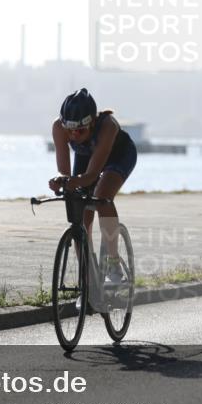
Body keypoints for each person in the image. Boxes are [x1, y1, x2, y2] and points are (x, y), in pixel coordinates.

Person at [49, 89, 137, 286]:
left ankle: (114, 265)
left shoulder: (108, 126)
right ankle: (88, 280)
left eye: (80, 131)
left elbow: (91, 176)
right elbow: (65, 175)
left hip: (118, 155)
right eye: (70, 130)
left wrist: (74, 182)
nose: (74, 135)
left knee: (102, 196)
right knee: (80, 216)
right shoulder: (58, 127)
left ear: (93, 122)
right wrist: (60, 182)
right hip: (87, 156)